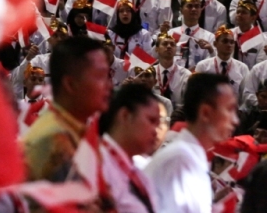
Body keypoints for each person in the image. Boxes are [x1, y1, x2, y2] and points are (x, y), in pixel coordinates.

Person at [145, 74, 240, 213]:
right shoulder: (179, 160)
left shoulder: (190, 155)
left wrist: (212, 206)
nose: (235, 120)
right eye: (230, 110)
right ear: (205, 113)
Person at [23, 36, 113, 182]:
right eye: (100, 76)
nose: (109, 86)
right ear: (70, 84)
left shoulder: (77, 128)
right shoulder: (51, 142)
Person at [98, 83, 162, 213]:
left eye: (158, 123)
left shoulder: (140, 168)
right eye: (151, 120)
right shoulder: (96, 164)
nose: (156, 131)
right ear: (125, 116)